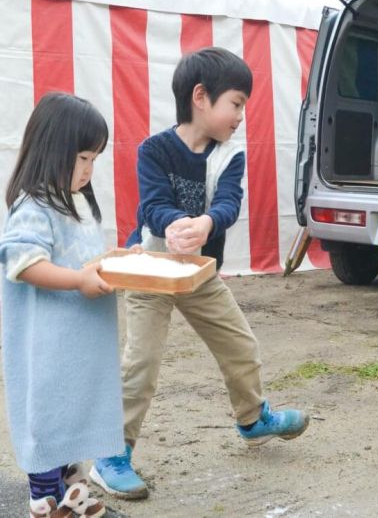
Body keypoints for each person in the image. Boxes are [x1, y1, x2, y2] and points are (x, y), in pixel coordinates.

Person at [91, 47, 309, 501]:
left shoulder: (230, 156)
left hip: (200, 274)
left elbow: (229, 203)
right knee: (141, 364)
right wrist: (172, 223)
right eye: (236, 103)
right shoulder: (154, 149)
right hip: (150, 270)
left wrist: (206, 223)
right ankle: (111, 454)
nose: (241, 116)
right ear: (201, 97)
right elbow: (151, 207)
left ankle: (252, 420)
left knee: (240, 346)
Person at [0, 92, 120, 518]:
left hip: (76, 343)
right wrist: (79, 280)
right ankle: (45, 499)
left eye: (94, 160)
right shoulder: (34, 203)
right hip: (49, 344)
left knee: (74, 409)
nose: (88, 170)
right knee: (48, 413)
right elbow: (24, 263)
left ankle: (71, 487)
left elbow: (81, 257)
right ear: (53, 150)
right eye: (83, 157)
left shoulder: (75, 200)